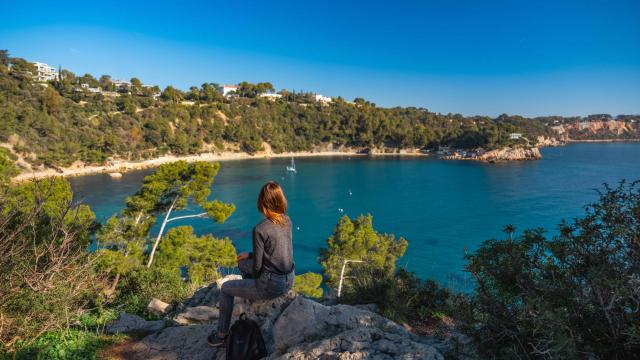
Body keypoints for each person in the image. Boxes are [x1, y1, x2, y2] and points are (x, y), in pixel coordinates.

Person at [208, 181, 295, 347]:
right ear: (281, 200)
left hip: (270, 286)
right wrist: (249, 255)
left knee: (226, 289)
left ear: (262, 202)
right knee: (242, 263)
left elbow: (257, 267)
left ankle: (221, 335)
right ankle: (253, 295)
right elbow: (276, 250)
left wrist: (257, 282)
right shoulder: (287, 220)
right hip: (289, 280)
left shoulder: (260, 229)